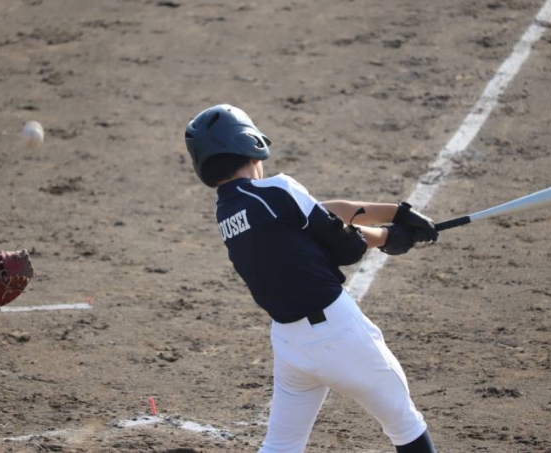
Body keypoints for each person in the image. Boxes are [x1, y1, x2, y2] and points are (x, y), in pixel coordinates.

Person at [184, 104, 439, 453]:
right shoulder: (279, 190)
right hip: (340, 334)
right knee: (406, 426)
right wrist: (388, 237)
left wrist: (397, 214)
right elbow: (346, 247)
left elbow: (319, 211)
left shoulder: (229, 211)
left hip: (290, 345)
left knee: (281, 446)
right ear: (250, 144)